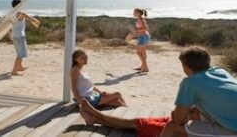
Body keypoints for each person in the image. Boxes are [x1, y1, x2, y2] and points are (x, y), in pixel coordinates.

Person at [78, 47, 237, 137]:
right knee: (181, 116)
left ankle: (97, 117)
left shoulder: (191, 82)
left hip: (230, 130)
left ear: (186, 67)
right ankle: (95, 118)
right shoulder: (219, 72)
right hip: (224, 119)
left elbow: (177, 119)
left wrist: (182, 115)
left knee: (162, 126)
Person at [71, 49, 127, 122]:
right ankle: (128, 110)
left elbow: (91, 86)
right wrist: (80, 100)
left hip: (93, 96)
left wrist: (101, 92)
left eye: (86, 57)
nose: (85, 60)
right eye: (82, 58)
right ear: (75, 59)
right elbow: (73, 87)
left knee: (117, 102)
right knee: (117, 94)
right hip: (87, 99)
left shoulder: (82, 69)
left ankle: (125, 113)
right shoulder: (75, 70)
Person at [10, 0, 40, 76]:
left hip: (14, 35)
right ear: (18, 5)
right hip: (19, 36)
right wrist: (35, 21)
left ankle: (19, 67)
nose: (23, 4)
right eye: (21, 3)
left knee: (19, 52)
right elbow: (31, 19)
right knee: (20, 53)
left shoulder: (12, 13)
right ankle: (14, 71)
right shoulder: (20, 13)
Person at [125, 8, 151, 73]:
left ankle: (146, 68)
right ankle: (143, 66)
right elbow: (139, 30)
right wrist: (133, 35)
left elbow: (145, 28)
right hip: (142, 36)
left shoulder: (142, 20)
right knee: (143, 53)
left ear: (138, 13)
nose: (133, 13)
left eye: (134, 12)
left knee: (139, 53)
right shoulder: (139, 20)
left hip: (143, 37)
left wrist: (136, 31)